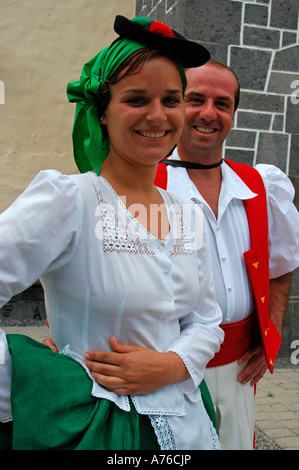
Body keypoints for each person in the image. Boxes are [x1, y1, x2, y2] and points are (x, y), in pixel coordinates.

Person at [0, 16, 223, 450]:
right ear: (102, 110)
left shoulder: (185, 210)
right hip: (94, 430)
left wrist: (173, 365)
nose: (157, 116)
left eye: (172, 99)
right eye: (137, 99)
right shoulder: (71, 200)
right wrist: (37, 381)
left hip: (186, 425)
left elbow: (206, 320)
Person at [153, 59, 299, 449]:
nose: (208, 113)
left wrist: (270, 333)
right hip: (169, 369)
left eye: (222, 103)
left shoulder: (260, 185)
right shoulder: (145, 186)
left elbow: (281, 267)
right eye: (194, 99)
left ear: (233, 113)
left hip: (238, 369)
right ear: (175, 105)